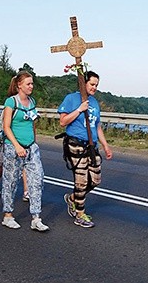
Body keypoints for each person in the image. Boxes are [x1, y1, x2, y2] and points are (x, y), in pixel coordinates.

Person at [58, 71, 113, 228]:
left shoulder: (94, 103)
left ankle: (73, 198)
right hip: (75, 144)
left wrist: (105, 145)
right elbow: (63, 121)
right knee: (81, 181)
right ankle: (80, 214)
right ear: (84, 83)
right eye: (92, 84)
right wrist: (79, 110)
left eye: (96, 85)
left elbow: (97, 126)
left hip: (91, 146)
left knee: (95, 180)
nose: (95, 87)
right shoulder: (71, 99)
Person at [0, 71, 49, 231]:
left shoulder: (32, 101)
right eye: (28, 84)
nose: (31, 86)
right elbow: (6, 126)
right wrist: (17, 146)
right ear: (19, 85)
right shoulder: (11, 102)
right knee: (11, 181)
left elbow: (33, 123)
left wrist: (34, 142)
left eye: (32, 83)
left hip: (31, 147)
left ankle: (36, 217)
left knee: (37, 180)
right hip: (13, 147)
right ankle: (8, 215)